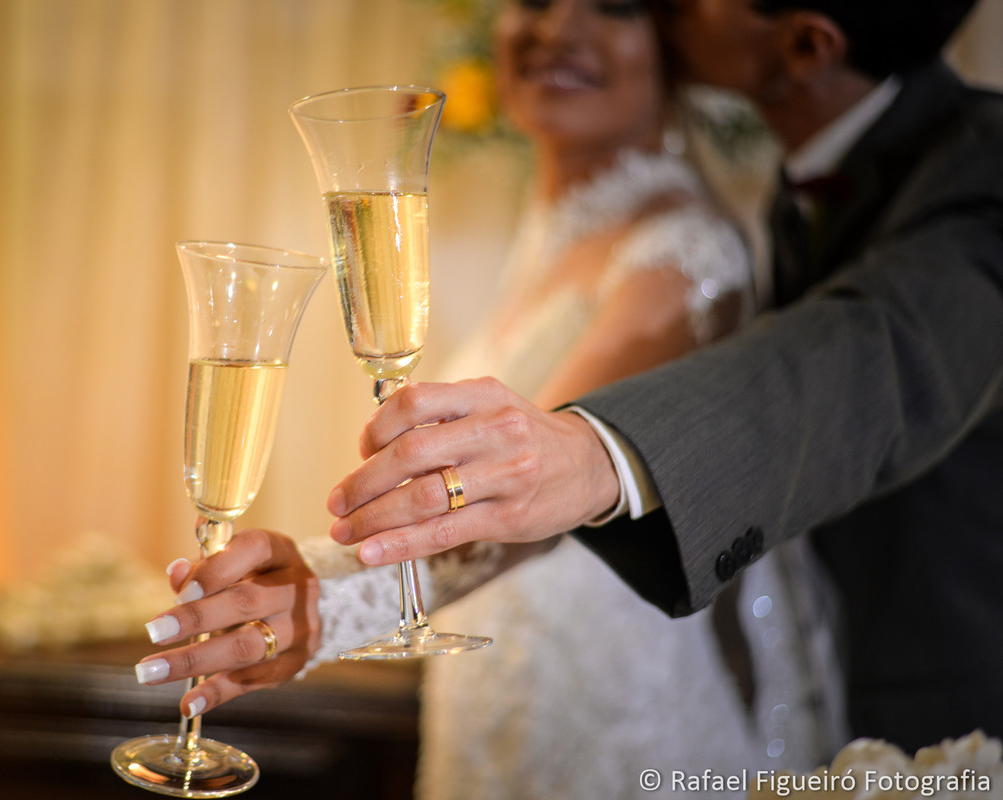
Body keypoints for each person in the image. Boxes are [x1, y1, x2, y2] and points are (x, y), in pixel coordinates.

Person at [131, 0, 843, 794]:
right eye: (533, 0)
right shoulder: (552, 237)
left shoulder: (682, 252)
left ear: (672, 43)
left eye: (612, 6)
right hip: (497, 697)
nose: (558, 29)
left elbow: (536, 488)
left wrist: (327, 605)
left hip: (610, 718)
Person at [315, 0, 1003, 755]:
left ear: (806, 46)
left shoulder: (980, 171)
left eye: (619, 5)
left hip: (947, 699)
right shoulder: (792, 180)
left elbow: (863, 354)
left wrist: (590, 451)